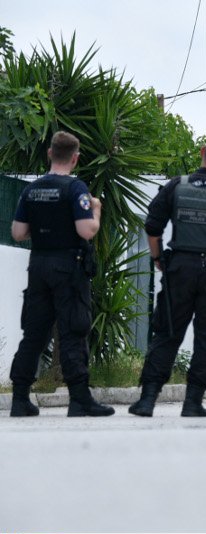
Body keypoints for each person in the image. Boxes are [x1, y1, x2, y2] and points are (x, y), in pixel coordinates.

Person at [129, 135, 206, 417]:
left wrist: (158, 258)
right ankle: (193, 402)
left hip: (180, 271)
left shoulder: (176, 186)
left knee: (166, 334)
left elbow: (152, 226)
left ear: (202, 152)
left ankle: (148, 399)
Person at [8, 131, 114, 417]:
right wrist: (97, 211)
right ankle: (79, 399)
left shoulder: (31, 190)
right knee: (73, 330)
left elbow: (18, 233)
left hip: (39, 265)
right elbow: (86, 230)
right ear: (76, 158)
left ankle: (20, 398)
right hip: (67, 267)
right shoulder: (75, 189)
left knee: (34, 332)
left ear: (49, 154)